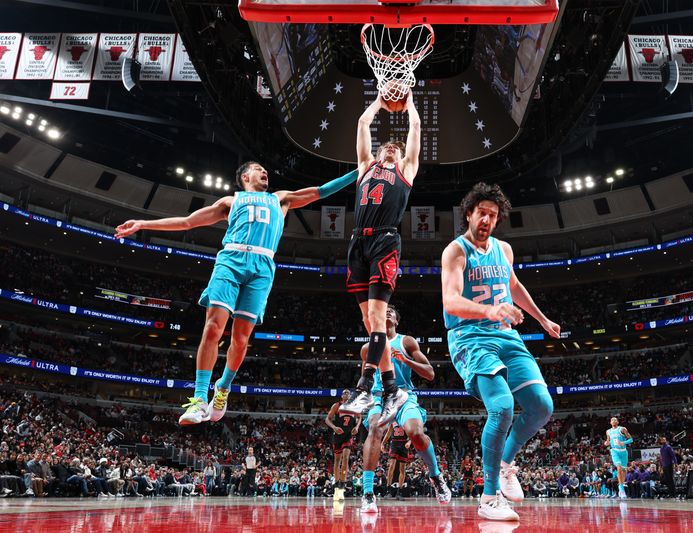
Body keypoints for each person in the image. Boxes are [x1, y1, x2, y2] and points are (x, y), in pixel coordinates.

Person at [115, 162, 358, 425]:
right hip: (231, 259)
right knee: (212, 328)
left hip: (263, 267)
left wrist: (360, 171)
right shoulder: (231, 201)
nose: (265, 172)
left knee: (241, 339)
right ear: (245, 176)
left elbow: (322, 190)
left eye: (266, 169)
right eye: (258, 169)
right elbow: (187, 222)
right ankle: (198, 400)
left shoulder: (281, 199)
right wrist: (143, 223)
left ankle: (223, 388)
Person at [441, 182, 559, 521]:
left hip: (507, 336)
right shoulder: (456, 251)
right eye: (482, 213)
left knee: (541, 406)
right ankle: (489, 497)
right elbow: (451, 301)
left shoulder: (504, 250)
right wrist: (490, 310)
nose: (487, 220)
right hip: (470, 337)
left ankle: (507, 465)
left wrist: (542, 319)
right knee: (503, 406)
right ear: (469, 214)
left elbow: (514, 286)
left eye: (493, 215)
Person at [339, 92, 422, 428]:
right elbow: (362, 123)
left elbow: (415, 125)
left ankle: (364, 386)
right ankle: (391, 389)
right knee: (370, 324)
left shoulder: (405, 171)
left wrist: (410, 99)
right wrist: (378, 102)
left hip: (386, 239)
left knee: (376, 317)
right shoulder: (365, 168)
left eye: (396, 148)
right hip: (358, 241)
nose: (391, 148)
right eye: (386, 147)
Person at [357, 305, 451, 513]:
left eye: (392, 311)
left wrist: (405, 359)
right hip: (380, 396)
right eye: (385, 310)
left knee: (415, 433)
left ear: (397, 321)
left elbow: (430, 373)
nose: (387, 311)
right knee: (375, 428)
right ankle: (368, 493)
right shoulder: (367, 348)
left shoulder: (406, 341)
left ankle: (435, 476)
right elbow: (365, 378)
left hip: (403, 394)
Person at [325, 390, 361, 501]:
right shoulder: (337, 406)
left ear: (350, 396)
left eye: (348, 393)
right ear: (342, 396)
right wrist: (334, 427)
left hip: (348, 436)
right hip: (337, 435)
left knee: (346, 458)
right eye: (344, 393)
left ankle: (343, 482)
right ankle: (336, 482)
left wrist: (357, 427)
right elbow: (327, 419)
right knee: (337, 461)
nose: (346, 394)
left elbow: (360, 417)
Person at [381, 421, 413, 499]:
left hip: (404, 444)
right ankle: (388, 490)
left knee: (402, 469)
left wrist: (409, 442)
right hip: (394, 443)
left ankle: (400, 491)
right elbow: (388, 433)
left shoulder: (406, 420)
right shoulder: (392, 420)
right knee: (391, 466)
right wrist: (382, 443)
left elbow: (412, 435)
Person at [604, 417, 634, 499]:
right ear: (610, 422)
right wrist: (606, 443)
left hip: (623, 452)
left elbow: (631, 439)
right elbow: (608, 441)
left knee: (624, 470)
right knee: (619, 468)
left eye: (615, 420)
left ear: (617, 421)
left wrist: (623, 442)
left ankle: (621, 485)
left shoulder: (622, 429)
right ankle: (621, 489)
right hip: (614, 451)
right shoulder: (608, 431)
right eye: (612, 420)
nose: (613, 421)